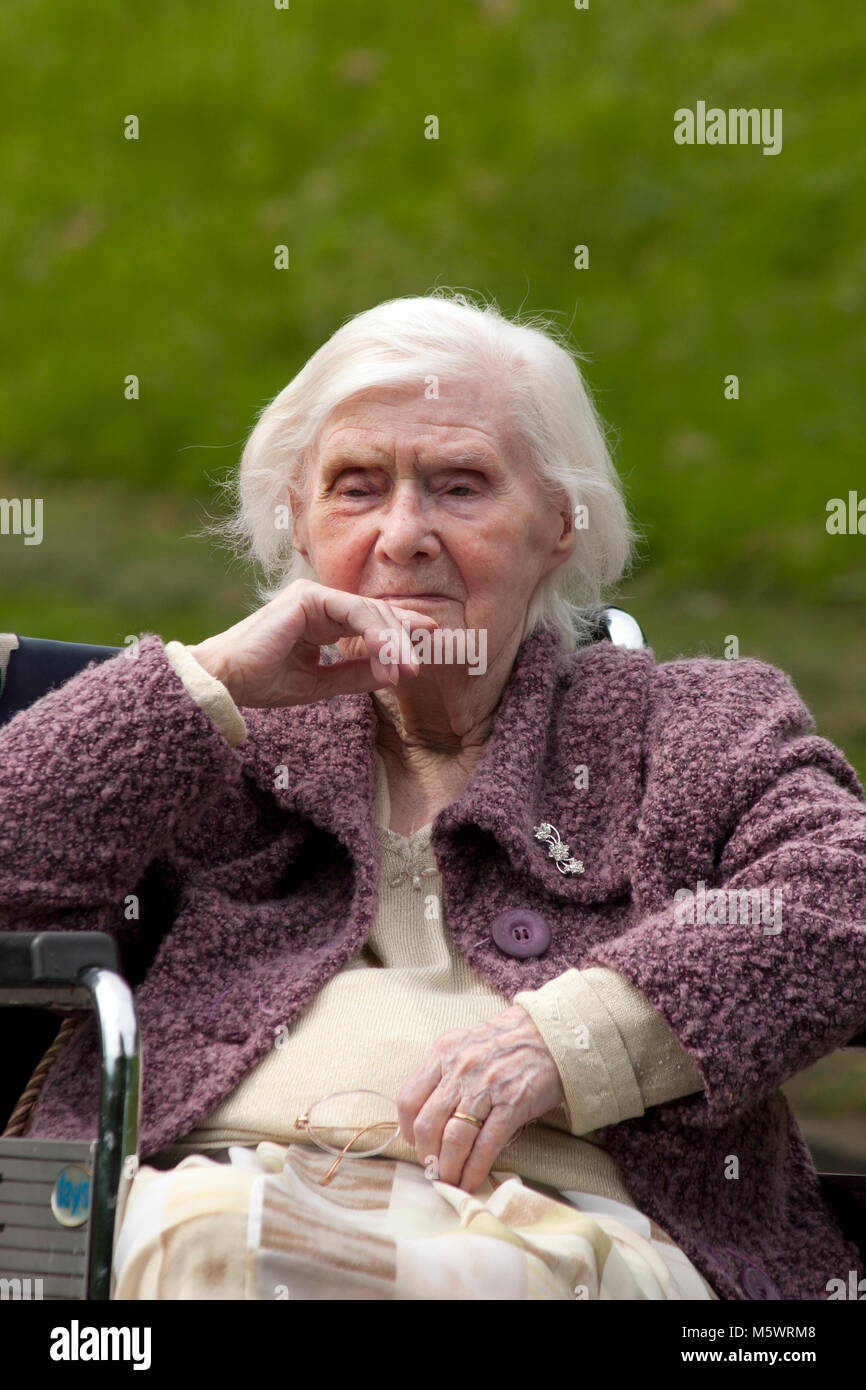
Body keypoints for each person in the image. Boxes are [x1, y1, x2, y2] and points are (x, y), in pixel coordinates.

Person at [2, 291, 864, 1301]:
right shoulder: (209, 745)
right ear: (298, 522)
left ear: (557, 525)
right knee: (206, 1245)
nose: (403, 533)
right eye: (355, 488)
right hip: (193, 1202)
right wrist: (209, 682)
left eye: (459, 487)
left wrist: (574, 1035)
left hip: (554, 1234)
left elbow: (836, 894)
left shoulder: (689, 727)